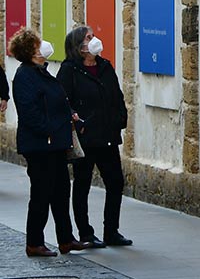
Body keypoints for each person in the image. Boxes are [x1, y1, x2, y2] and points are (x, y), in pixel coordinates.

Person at [10, 27, 89, 257]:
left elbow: (57, 101)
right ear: (30, 51)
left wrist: (70, 115)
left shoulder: (42, 72)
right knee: (41, 194)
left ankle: (66, 239)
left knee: (61, 191)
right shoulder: (25, 75)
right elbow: (30, 112)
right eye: (38, 44)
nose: (42, 47)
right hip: (40, 145)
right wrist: (50, 130)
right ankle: (34, 242)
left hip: (55, 144)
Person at [57, 26, 132, 248]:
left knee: (115, 182)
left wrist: (119, 119)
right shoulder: (70, 70)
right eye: (88, 38)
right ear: (79, 46)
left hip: (107, 134)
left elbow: (116, 96)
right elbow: (62, 100)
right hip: (86, 137)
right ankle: (85, 232)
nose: (94, 40)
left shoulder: (105, 67)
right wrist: (77, 121)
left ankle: (111, 230)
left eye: (93, 36)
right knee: (83, 183)